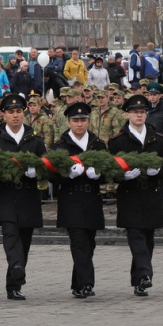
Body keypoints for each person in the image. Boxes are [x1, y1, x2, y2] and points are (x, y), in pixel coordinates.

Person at [0, 93, 46, 301]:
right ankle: (17, 266)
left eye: (19, 111)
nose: (16, 116)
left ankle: (14, 285)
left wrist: (37, 172)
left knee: (24, 240)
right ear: (3, 115)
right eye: (11, 112)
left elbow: (47, 166)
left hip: (28, 196)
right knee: (10, 234)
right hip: (6, 196)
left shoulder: (35, 140)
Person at [108, 95, 163, 296]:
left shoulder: (157, 139)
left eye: (142, 112)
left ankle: (139, 280)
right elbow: (111, 169)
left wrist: (158, 172)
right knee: (136, 236)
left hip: (151, 195)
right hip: (130, 195)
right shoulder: (118, 141)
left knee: (148, 238)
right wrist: (123, 175)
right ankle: (145, 274)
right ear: (128, 114)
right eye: (135, 112)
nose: (139, 115)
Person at [51, 102, 105, 298]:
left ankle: (77, 283)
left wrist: (99, 174)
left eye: (83, 120)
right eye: (76, 120)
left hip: (91, 199)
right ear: (69, 122)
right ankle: (86, 284)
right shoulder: (60, 146)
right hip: (71, 200)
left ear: (88, 121)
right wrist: (67, 175)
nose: (80, 124)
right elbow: (51, 175)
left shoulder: (98, 144)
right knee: (79, 242)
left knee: (89, 243)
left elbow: (108, 170)